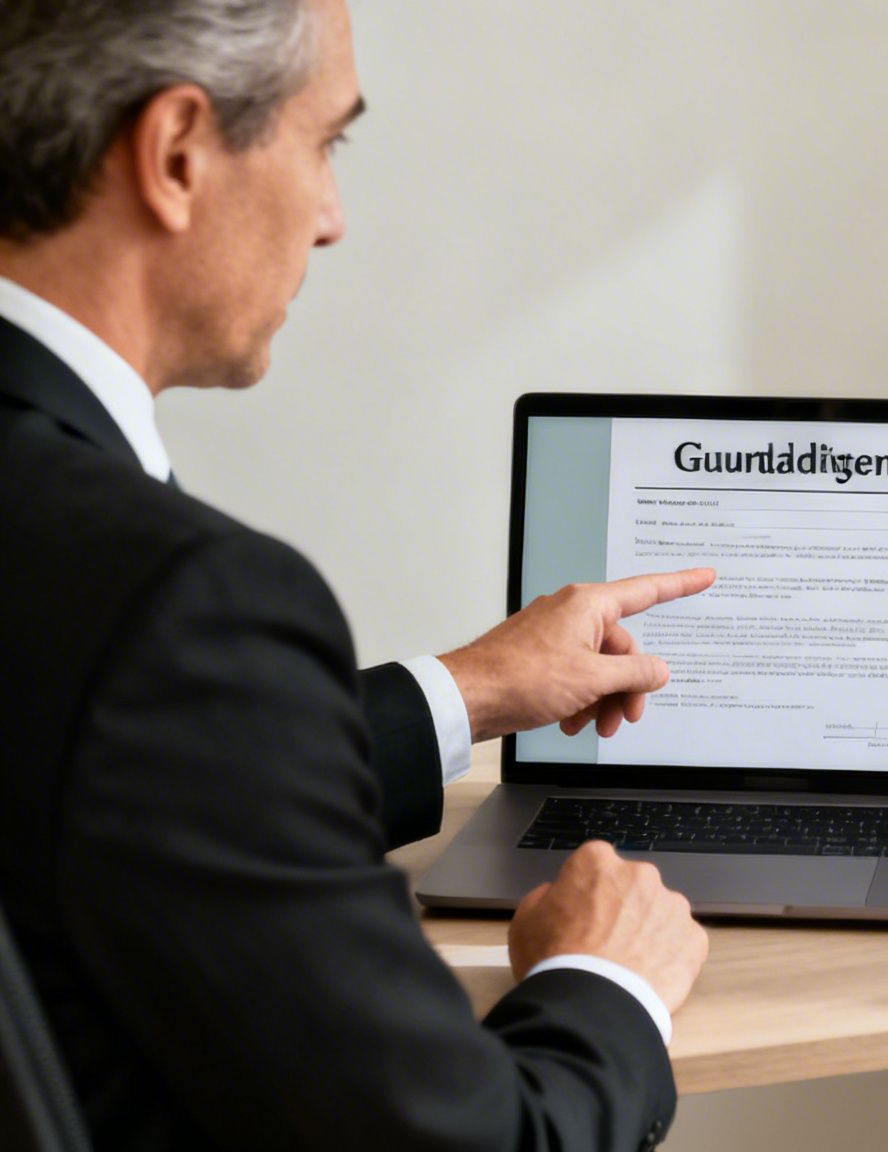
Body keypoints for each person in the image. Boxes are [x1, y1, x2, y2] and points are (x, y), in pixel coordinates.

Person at [0, 1, 714, 1148]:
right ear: (176, 154)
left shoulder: (101, 593)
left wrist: (462, 692)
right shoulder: (177, 603)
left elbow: (100, 775)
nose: (332, 219)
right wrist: (606, 977)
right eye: (326, 141)